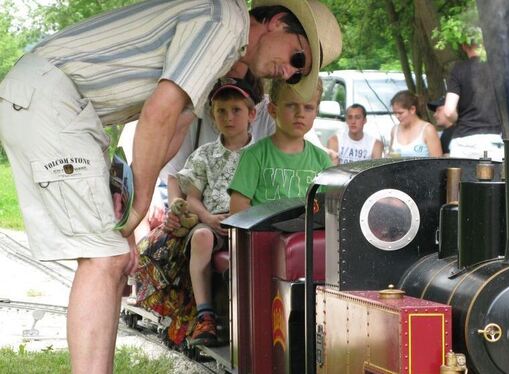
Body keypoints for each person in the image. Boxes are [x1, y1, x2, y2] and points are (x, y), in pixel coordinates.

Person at [0, 0, 341, 372]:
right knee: (104, 259)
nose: (287, 72)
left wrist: (126, 215)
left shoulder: (224, 52)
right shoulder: (225, 20)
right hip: (54, 98)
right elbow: (157, 111)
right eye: (296, 57)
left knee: (115, 258)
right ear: (276, 22)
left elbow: (175, 123)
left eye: (296, 75)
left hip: (73, 109)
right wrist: (140, 204)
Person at [176, 79, 256, 347]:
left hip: (250, 222)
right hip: (212, 221)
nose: (229, 117)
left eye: (236, 110)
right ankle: (205, 316)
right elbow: (192, 197)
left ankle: (254, 315)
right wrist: (208, 218)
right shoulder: (204, 155)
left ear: (251, 114)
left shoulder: (262, 153)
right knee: (201, 237)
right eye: (221, 111)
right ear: (212, 116)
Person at [228, 78, 331, 213]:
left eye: (308, 107)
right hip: (264, 233)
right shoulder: (254, 155)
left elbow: (331, 208)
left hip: (306, 233)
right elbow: (237, 207)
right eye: (291, 105)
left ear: (315, 113)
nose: (300, 114)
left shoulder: (322, 160)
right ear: (272, 110)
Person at [443, 34, 504, 162]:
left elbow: (448, 111)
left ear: (464, 46)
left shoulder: (458, 69)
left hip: (464, 141)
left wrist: (455, 118)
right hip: (492, 141)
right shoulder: (498, 70)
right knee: (492, 181)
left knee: (460, 182)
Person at [389, 90, 443, 158]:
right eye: (395, 113)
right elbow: (389, 158)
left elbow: (438, 162)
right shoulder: (394, 130)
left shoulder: (428, 130)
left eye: (400, 113)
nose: (397, 116)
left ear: (412, 109)